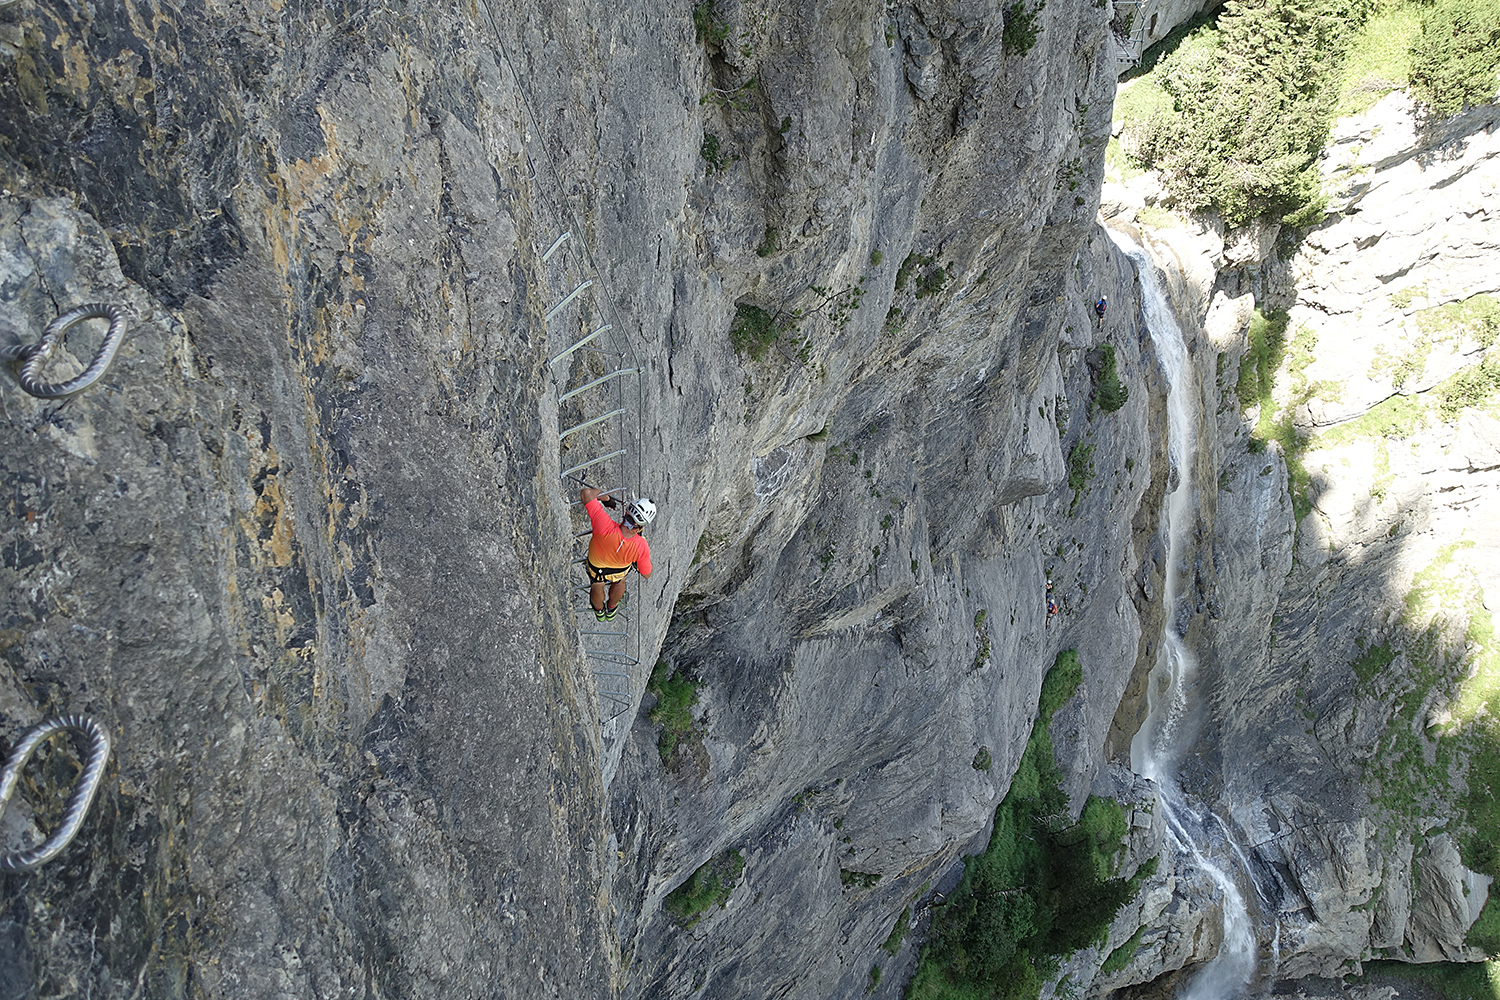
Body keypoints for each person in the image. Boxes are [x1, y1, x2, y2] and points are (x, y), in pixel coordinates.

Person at [580, 486, 654, 621]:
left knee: (597, 584)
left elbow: (587, 494)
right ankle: (612, 607)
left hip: (597, 568)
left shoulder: (604, 525)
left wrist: (606, 498)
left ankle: (599, 611)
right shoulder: (641, 546)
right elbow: (647, 574)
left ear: (626, 512)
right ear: (641, 526)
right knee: (620, 581)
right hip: (619, 571)